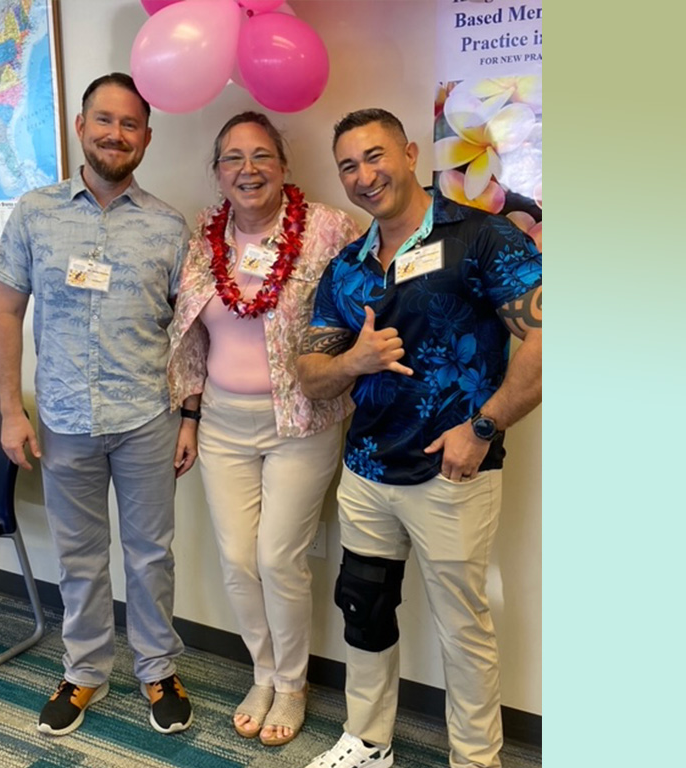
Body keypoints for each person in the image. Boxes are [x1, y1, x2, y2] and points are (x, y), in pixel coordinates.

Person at [297, 109, 542, 768]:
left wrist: (484, 427)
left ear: (409, 153)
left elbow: (548, 338)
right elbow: (310, 373)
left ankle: (475, 759)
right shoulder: (348, 265)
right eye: (348, 165)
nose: (364, 175)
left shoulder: (484, 236)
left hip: (452, 474)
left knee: (463, 629)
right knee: (364, 606)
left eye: (375, 156)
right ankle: (369, 740)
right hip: (368, 471)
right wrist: (354, 361)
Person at [0, 73, 195, 739]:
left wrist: (189, 414)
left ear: (146, 138)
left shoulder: (168, 226)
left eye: (129, 124)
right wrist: (9, 412)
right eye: (103, 120)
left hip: (146, 420)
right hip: (65, 420)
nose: (115, 134)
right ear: (80, 127)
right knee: (78, 555)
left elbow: (190, 331)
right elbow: (7, 311)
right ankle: (83, 672)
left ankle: (158, 667)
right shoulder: (34, 212)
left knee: (151, 553)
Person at [168, 112, 360, 746]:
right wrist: (190, 415)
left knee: (278, 557)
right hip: (222, 421)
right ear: (217, 171)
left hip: (301, 421)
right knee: (235, 559)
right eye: (232, 158)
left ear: (282, 164)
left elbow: (370, 301)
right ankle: (264, 671)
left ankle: (295, 683)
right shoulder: (203, 235)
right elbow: (190, 335)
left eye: (260, 156)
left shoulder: (330, 228)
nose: (246, 170)